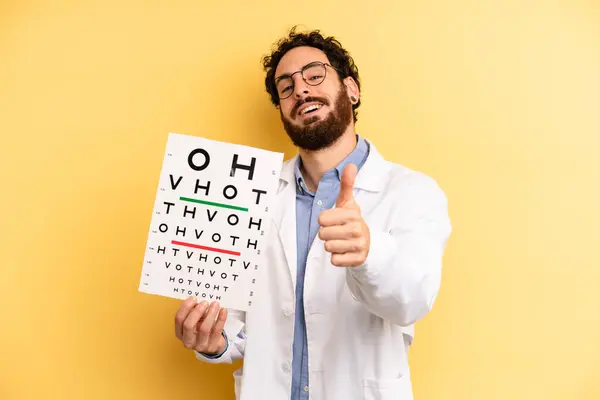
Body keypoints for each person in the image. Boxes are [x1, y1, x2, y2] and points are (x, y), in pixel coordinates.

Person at [173, 27, 452, 400]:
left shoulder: (411, 191)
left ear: (350, 89)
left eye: (314, 74)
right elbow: (238, 328)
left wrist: (370, 252)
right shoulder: (248, 193)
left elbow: (412, 300)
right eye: (285, 86)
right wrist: (212, 341)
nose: (301, 89)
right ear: (282, 110)